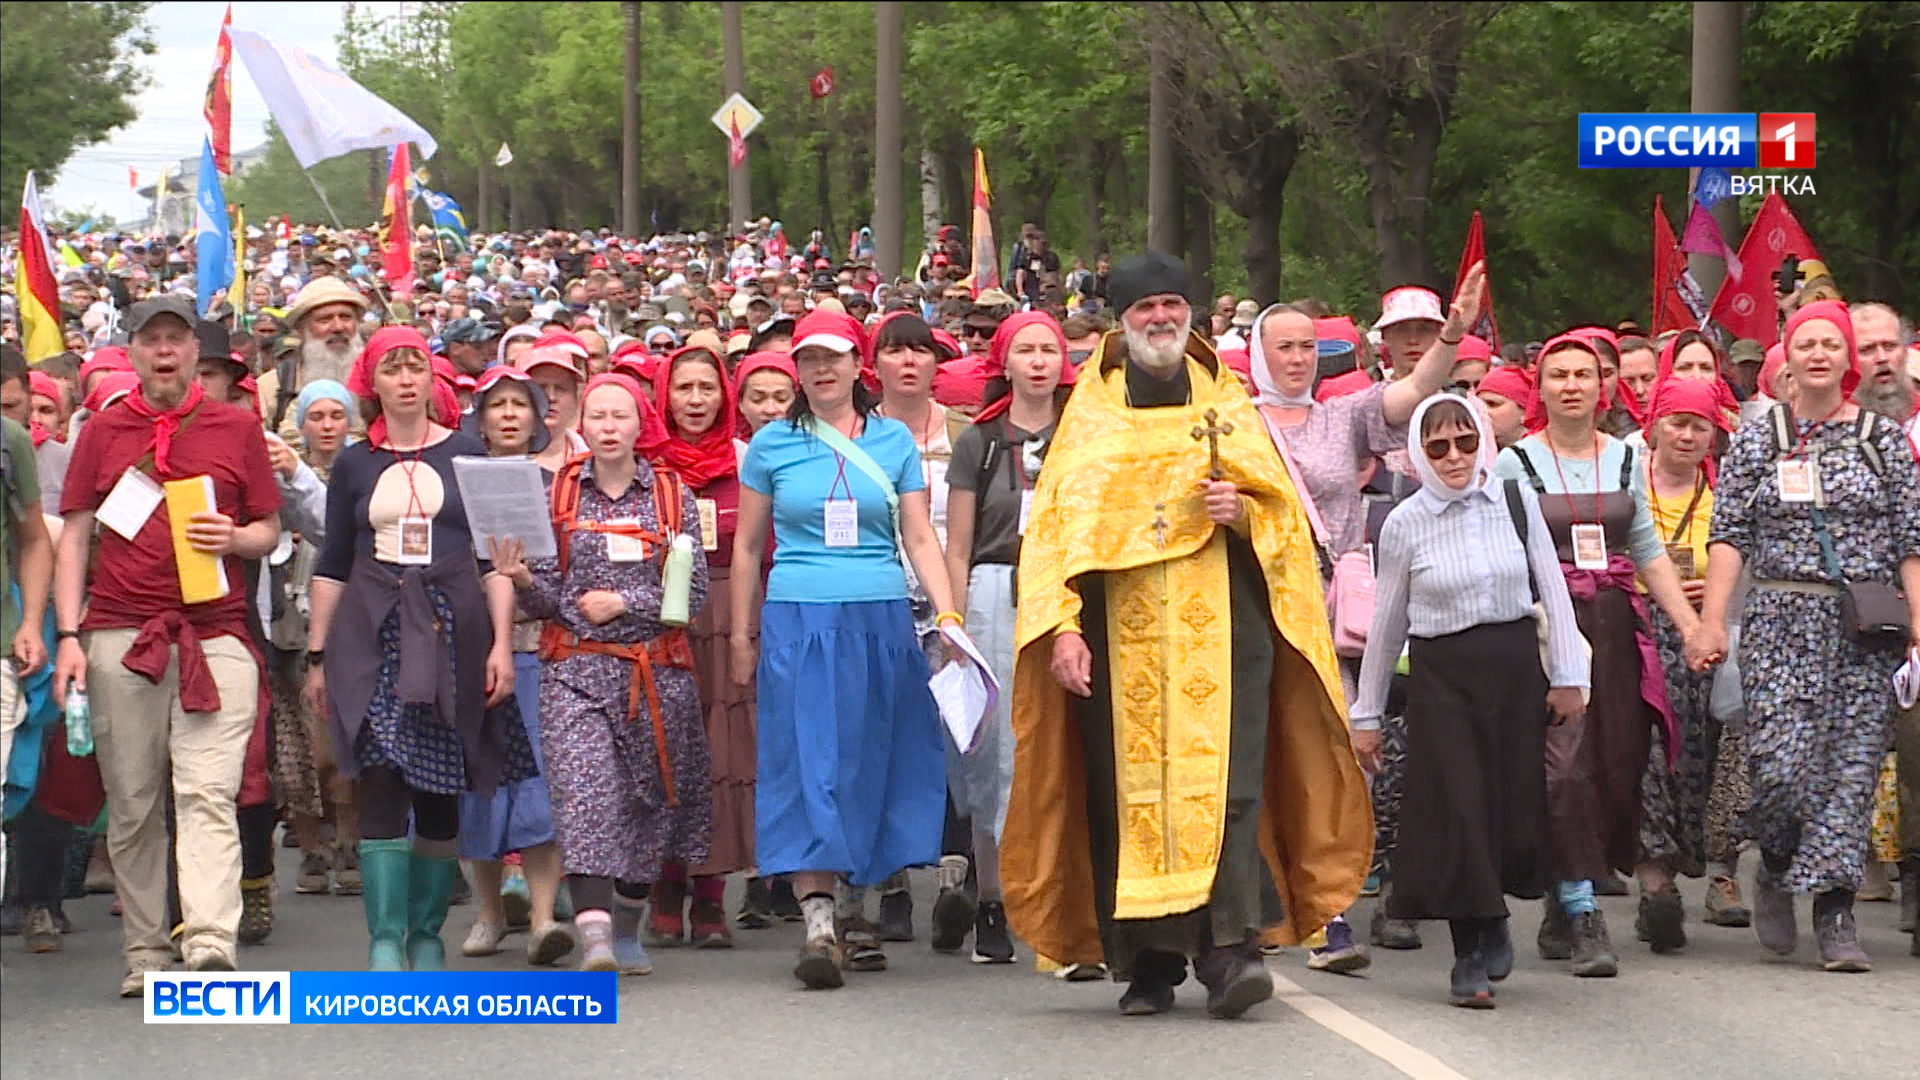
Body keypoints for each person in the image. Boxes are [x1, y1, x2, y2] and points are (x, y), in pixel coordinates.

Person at [1001, 253, 1371, 1020]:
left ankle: (1228, 952)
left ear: (1191, 315)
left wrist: (1246, 513)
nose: (1162, 319)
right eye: (1147, 309)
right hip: (1117, 633)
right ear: (1121, 320)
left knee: (1229, 791)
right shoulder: (1092, 417)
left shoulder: (1226, 404)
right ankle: (1147, 963)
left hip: (1224, 628)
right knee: (1123, 795)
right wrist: (1063, 630)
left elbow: (1282, 521)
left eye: (1174, 304)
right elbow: (1057, 536)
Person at [1247, 264, 1486, 961]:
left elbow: (1414, 392)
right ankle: (1258, 901)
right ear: (1260, 353)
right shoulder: (1229, 424)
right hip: (1257, 610)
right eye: (1283, 346)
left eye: (1306, 347)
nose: (1296, 359)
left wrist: (1452, 335)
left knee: (1340, 753)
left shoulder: (1341, 417)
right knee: (1261, 757)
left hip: (1329, 610)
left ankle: (1332, 914)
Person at [50, 296, 284, 995]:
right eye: (151, 339)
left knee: (208, 792)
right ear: (133, 351)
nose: (164, 352)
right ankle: (147, 953)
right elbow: (74, 537)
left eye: (176, 340)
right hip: (122, 634)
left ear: (193, 353)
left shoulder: (236, 428)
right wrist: (69, 634)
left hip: (217, 633)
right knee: (133, 804)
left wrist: (238, 539)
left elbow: (270, 529)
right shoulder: (102, 430)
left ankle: (210, 940)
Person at [1689, 300, 1920, 971]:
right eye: (1805, 343)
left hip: (1863, 629)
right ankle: (1779, 864)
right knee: (1783, 771)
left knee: (1849, 774)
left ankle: (1835, 909)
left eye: (1831, 343)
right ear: (1785, 358)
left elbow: (1912, 541)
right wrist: (1713, 621)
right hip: (1781, 623)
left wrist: (1916, 633)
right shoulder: (1761, 440)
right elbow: (1730, 532)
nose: (1818, 354)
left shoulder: (1883, 442)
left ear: (1849, 358)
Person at [730, 309, 957, 989]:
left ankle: (859, 904)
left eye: (833, 357)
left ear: (859, 365)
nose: (821, 370)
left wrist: (948, 617)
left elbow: (919, 537)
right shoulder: (772, 444)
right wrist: (742, 634)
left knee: (870, 759)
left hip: (880, 615)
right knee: (807, 761)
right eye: (807, 360)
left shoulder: (891, 442)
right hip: (799, 615)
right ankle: (819, 920)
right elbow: (746, 547)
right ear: (794, 370)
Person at [304, 326, 534, 971]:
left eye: (415, 368)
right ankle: (384, 939)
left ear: (432, 379)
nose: (405, 381)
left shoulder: (467, 453)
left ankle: (427, 933)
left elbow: (493, 560)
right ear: (371, 383)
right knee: (378, 775)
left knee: (439, 784)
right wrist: (318, 655)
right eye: (392, 370)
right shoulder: (353, 463)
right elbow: (332, 563)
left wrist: (502, 649)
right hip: (372, 632)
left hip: (452, 631)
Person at [1354, 393, 1587, 1007]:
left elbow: (1552, 587)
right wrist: (1366, 715)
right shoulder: (1405, 522)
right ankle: (1468, 951)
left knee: (1508, 804)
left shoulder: (1514, 503)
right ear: (1418, 454)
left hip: (1512, 671)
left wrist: (1569, 673)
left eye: (1464, 441)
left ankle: (1495, 918)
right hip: (1442, 680)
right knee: (1459, 807)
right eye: (1437, 446)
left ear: (1482, 440)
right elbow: (1386, 624)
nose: (1454, 457)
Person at [1494, 332, 1701, 979]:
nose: (1573, 385)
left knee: (1616, 767)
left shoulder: (1623, 461)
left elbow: (1646, 551)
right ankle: (1584, 911)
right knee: (1563, 768)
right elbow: (1500, 556)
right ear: (1541, 386)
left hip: (1614, 626)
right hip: (1545, 630)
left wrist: (1693, 626)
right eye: (1559, 375)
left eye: (1584, 374)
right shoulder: (1513, 464)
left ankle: (1565, 896)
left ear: (1602, 386)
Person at [492, 373, 709, 974]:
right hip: (575, 670)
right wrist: (525, 581)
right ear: (579, 427)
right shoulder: (556, 493)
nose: (609, 428)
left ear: (642, 425)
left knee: (650, 806)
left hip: (655, 674)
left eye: (621, 417)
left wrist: (627, 604)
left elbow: (690, 597)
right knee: (586, 794)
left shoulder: (672, 495)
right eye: (598, 417)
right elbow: (542, 600)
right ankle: (594, 939)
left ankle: (629, 923)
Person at [941, 312, 1076, 964]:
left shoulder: (1085, 434)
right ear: (1005, 359)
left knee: (1069, 746)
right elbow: (959, 545)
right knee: (996, 751)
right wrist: (953, 624)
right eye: (1026, 348)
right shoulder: (982, 442)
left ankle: (1066, 902)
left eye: (1050, 347)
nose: (1040, 360)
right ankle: (992, 899)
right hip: (997, 592)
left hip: (1070, 595)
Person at [453, 368, 572, 966]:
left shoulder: (562, 485)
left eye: (518, 406)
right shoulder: (458, 484)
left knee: (539, 787)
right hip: (473, 646)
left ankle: (546, 914)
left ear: (538, 416)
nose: (507, 415)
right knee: (480, 784)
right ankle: (489, 911)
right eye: (495, 406)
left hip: (545, 647)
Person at [1631, 376, 1745, 951]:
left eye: (1699, 424)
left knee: (1687, 763)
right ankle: (1655, 888)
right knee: (1644, 758)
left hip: (1698, 646)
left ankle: (1671, 875)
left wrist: (1716, 595)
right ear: (1653, 425)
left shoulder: (1724, 495)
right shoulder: (1625, 485)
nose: (1686, 434)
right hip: (1632, 638)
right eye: (1677, 421)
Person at [647, 345, 756, 948]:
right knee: (667, 750)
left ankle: (711, 896)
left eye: (707, 389)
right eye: (684, 388)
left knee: (722, 755)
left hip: (726, 605)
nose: (695, 401)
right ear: (665, 395)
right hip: (659, 615)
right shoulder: (649, 465)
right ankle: (666, 880)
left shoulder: (745, 458)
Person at [863, 311, 964, 941]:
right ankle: (891, 886)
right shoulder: (857, 433)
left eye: (918, 352)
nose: (907, 364)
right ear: (873, 366)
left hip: (950, 596)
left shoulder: (967, 432)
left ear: (935, 362)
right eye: (894, 352)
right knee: (884, 736)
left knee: (955, 736)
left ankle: (955, 877)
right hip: (877, 596)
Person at [1475, 366, 1532, 449]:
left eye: (1493, 404)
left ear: (1525, 413)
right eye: (1478, 406)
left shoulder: (1539, 454)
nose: (1483, 412)